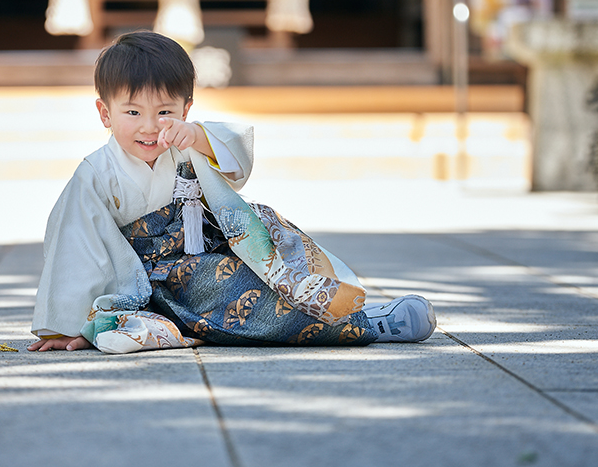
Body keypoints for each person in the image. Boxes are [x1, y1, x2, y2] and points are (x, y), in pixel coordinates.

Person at [29, 31, 435, 353]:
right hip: (162, 276)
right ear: (105, 113)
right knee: (241, 295)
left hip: (216, 243)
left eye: (165, 112)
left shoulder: (185, 140)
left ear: (185, 109)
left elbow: (235, 161)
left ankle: (356, 305)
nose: (150, 127)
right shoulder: (95, 175)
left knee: (281, 252)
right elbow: (76, 246)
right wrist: (73, 325)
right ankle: (371, 326)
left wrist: (199, 138)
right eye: (132, 112)